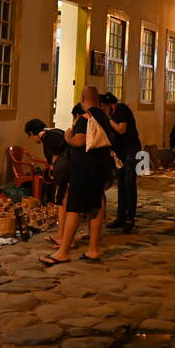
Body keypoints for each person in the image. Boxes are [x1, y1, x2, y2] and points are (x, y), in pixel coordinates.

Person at [41, 86, 115, 265]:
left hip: (84, 169)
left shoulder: (86, 117)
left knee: (73, 208)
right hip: (100, 167)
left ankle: (63, 252)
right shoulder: (104, 117)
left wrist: (68, 137)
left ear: (83, 98)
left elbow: (80, 140)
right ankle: (93, 249)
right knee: (95, 207)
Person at [101, 92, 141, 234]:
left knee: (129, 183)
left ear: (108, 105)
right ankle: (121, 217)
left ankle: (130, 218)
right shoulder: (111, 114)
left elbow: (121, 129)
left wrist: (108, 119)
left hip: (131, 151)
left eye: (103, 107)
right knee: (121, 185)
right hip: (119, 153)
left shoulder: (121, 108)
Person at [24, 117, 69, 220]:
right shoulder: (54, 131)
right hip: (69, 167)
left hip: (63, 168)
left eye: (29, 136)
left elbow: (56, 152)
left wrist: (52, 166)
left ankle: (63, 225)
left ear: (31, 133)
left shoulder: (46, 136)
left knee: (61, 197)